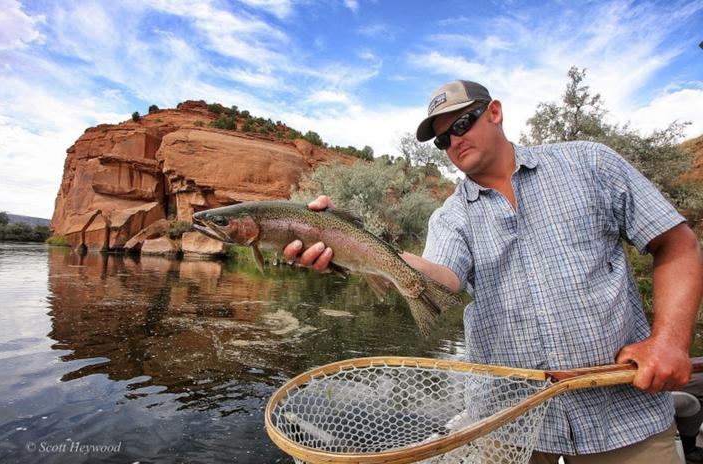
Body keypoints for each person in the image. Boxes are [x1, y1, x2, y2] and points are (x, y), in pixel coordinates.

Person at [283, 79, 703, 463]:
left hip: (623, 417)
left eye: (462, 124)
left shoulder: (591, 165)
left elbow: (678, 244)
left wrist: (669, 340)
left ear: (495, 112)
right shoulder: (450, 218)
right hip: (506, 425)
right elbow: (442, 278)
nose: (454, 141)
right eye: (443, 140)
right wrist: (348, 244)